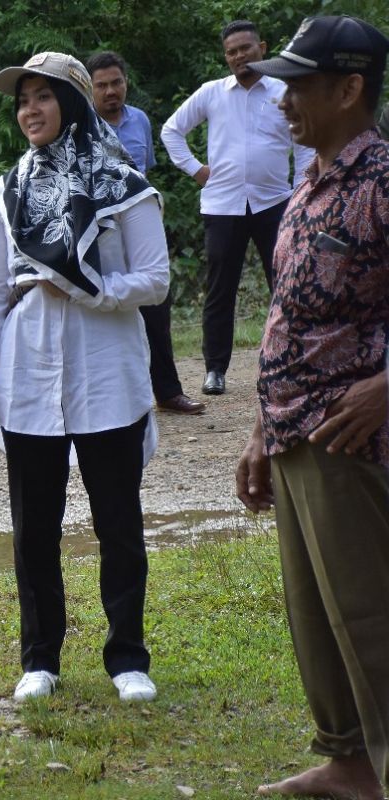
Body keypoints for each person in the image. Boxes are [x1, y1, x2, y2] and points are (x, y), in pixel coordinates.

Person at [0, 53, 170, 704]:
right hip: (28, 376)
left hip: (106, 370)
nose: (29, 110)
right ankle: (40, 658)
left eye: (43, 97)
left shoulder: (123, 184)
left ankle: (127, 658)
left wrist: (87, 287)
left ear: (73, 104)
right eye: (22, 100)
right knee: (34, 528)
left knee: (118, 523)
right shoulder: (6, 192)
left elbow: (156, 280)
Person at [235, 15, 389, 800]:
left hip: (351, 438)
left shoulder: (383, 179)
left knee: (371, 619)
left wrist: (385, 386)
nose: (282, 97)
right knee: (317, 617)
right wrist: (262, 427)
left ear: (350, 88)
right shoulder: (313, 177)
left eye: (299, 84)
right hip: (294, 427)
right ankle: (349, 764)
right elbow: (286, 316)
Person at [161, 20, 314, 396]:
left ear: (261, 47)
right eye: (232, 51)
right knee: (219, 289)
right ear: (225, 57)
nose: (239, 56)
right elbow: (171, 130)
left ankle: (291, 360)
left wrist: (300, 194)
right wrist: (196, 169)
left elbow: (305, 145)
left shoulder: (283, 91)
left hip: (276, 203)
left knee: (285, 284)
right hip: (222, 204)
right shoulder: (212, 93)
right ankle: (215, 369)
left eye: (246, 48)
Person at [86, 51, 205, 416]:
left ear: (126, 83)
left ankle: (168, 392)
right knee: (101, 309)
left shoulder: (139, 120)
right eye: (101, 85)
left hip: (136, 225)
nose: (110, 91)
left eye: (116, 83)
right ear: (88, 89)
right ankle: (110, 400)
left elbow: (143, 173)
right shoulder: (79, 125)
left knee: (156, 304)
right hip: (97, 230)